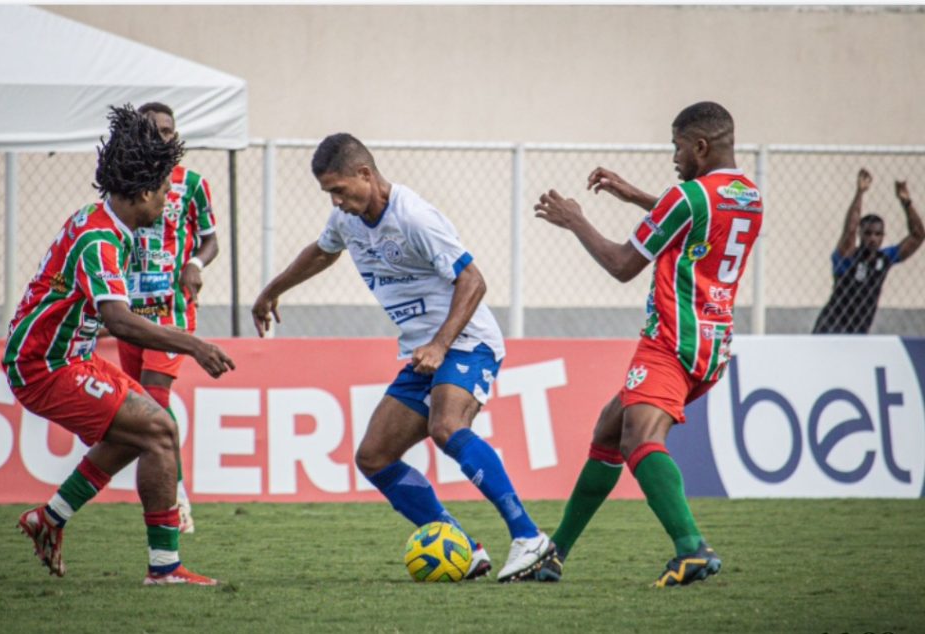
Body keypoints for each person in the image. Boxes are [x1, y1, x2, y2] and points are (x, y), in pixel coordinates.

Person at [251, 133, 555, 583]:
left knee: (447, 426)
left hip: (466, 339)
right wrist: (272, 290)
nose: (336, 201)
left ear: (366, 174)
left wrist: (440, 344)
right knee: (374, 456)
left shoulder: (414, 217)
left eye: (340, 189)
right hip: (424, 352)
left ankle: (530, 539)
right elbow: (321, 252)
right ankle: (461, 548)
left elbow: (473, 281)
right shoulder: (348, 219)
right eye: (328, 193)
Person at [531, 102, 762, 587]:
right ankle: (554, 555)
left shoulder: (686, 196)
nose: (674, 156)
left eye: (678, 147)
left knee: (639, 439)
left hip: (670, 341)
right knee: (609, 432)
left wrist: (575, 219)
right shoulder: (746, 196)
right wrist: (637, 196)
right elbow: (697, 215)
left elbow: (621, 264)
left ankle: (691, 547)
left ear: (700, 146)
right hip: (711, 343)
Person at [4, 105, 235, 586]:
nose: (170, 197)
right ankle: (164, 568)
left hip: (68, 356)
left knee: (148, 431)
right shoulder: (100, 238)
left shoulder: (111, 224)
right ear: (145, 192)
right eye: (165, 190)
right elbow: (118, 320)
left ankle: (50, 518)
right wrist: (193, 343)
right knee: (157, 430)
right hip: (44, 364)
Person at [115, 102, 219, 534]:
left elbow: (211, 240)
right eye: (156, 131)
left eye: (169, 131)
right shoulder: (121, 184)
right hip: (126, 312)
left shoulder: (192, 184)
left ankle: (176, 498)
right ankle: (167, 493)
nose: (165, 137)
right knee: (139, 408)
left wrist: (195, 261)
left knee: (155, 402)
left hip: (172, 309)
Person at [812, 168, 924, 334]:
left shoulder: (884, 258)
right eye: (868, 233)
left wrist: (906, 203)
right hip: (831, 329)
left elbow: (917, 236)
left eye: (877, 234)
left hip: (860, 332)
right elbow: (849, 231)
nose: (872, 238)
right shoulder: (847, 257)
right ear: (860, 234)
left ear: (883, 236)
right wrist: (860, 193)